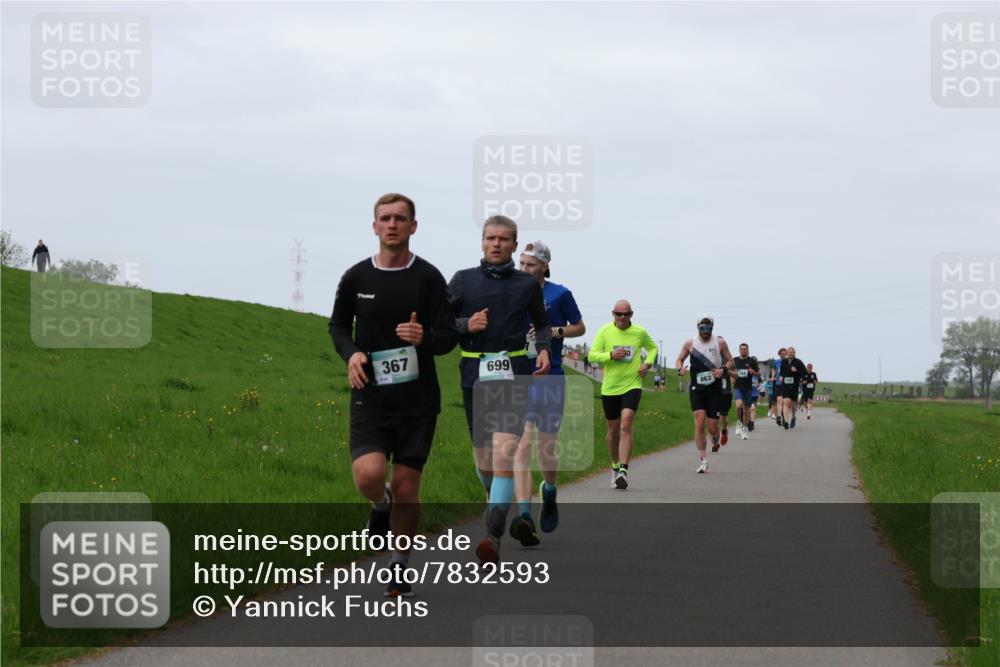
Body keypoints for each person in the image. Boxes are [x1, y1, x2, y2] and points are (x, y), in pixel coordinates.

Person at [329, 193, 459, 597]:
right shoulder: (355, 278)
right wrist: (351, 355)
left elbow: (449, 336)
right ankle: (378, 504)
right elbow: (336, 327)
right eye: (385, 218)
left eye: (400, 218)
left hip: (418, 400)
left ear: (413, 227)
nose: (392, 224)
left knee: (407, 486)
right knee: (369, 478)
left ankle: (399, 564)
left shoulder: (429, 278)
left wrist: (425, 337)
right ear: (374, 226)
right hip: (371, 394)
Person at [448, 215, 551, 563]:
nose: (496, 244)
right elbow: (440, 325)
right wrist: (466, 324)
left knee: (506, 453)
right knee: (485, 464)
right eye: (490, 238)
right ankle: (498, 504)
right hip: (473, 374)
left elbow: (542, 324)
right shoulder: (462, 281)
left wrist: (546, 350)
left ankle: (493, 536)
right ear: (482, 242)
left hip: (513, 373)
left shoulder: (526, 285)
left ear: (513, 244)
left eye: (503, 239)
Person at [513, 240, 585, 540]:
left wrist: (555, 331)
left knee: (545, 446)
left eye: (530, 265)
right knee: (522, 444)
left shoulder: (560, 294)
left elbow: (579, 327)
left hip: (550, 375)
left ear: (544, 266)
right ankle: (525, 515)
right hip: (518, 374)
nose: (525, 269)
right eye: (521, 264)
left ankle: (550, 490)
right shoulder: (511, 291)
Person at [588, 300, 657, 490]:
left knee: (626, 424)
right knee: (612, 431)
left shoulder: (639, 332)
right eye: (618, 314)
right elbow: (592, 356)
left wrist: (647, 364)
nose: (622, 318)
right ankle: (615, 465)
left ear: (631, 315)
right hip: (610, 387)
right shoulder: (604, 332)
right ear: (613, 314)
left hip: (632, 384)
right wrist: (610, 355)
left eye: (626, 314)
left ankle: (624, 471)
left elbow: (653, 348)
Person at [676, 316, 735, 473]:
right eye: (703, 328)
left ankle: (715, 436)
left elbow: (731, 361)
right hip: (697, 388)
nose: (706, 332)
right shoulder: (690, 342)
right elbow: (679, 359)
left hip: (715, 389)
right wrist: (680, 368)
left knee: (712, 426)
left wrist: (722, 369)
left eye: (709, 329)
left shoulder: (720, 342)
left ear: (713, 328)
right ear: (698, 327)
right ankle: (703, 460)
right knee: (699, 421)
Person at [732, 344, 760, 440]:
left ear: (748, 350)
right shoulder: (734, 360)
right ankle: (738, 423)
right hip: (737, 387)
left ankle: (743, 428)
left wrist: (753, 372)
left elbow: (758, 372)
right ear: (739, 350)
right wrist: (732, 376)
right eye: (742, 349)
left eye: (745, 349)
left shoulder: (751, 361)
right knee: (739, 405)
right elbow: (729, 371)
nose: (743, 351)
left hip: (748, 388)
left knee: (746, 409)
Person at [778, 346, 808, 430]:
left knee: (793, 405)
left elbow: (804, 372)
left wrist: (796, 371)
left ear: (794, 353)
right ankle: (786, 421)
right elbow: (781, 372)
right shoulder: (783, 362)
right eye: (789, 352)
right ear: (787, 353)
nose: (790, 353)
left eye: (792, 352)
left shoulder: (798, 362)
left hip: (794, 386)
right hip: (785, 386)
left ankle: (794, 417)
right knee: (786, 402)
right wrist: (781, 376)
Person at [769, 348, 788, 425]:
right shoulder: (776, 362)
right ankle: (779, 416)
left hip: (786, 385)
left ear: (786, 354)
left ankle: (784, 417)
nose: (783, 355)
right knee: (779, 401)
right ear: (779, 354)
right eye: (781, 354)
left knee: (785, 402)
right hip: (778, 384)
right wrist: (773, 377)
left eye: (784, 354)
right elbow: (774, 370)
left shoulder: (788, 362)